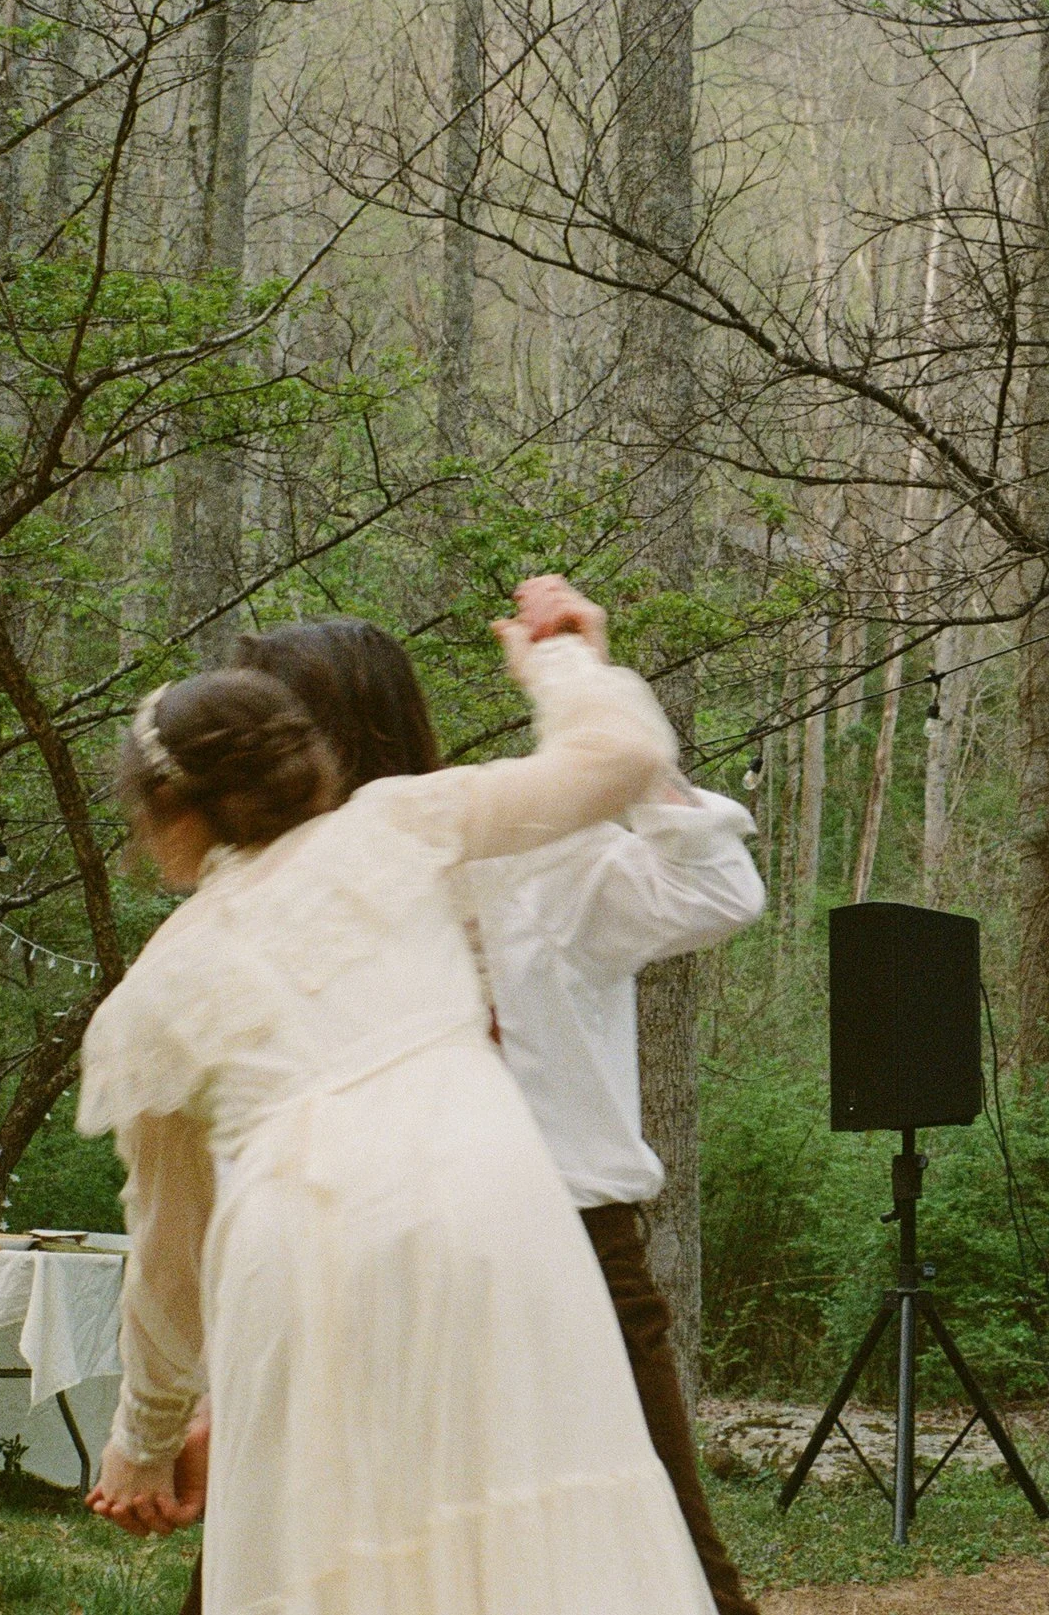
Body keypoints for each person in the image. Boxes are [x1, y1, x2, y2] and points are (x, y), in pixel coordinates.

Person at [81, 587, 716, 1611]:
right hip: (491, 1204)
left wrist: (141, 1443)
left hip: (299, 1248)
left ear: (172, 811)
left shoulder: (155, 990)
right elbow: (624, 761)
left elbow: (167, 1251)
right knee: (533, 1526)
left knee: (337, 1554)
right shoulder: (401, 823)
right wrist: (560, 660)